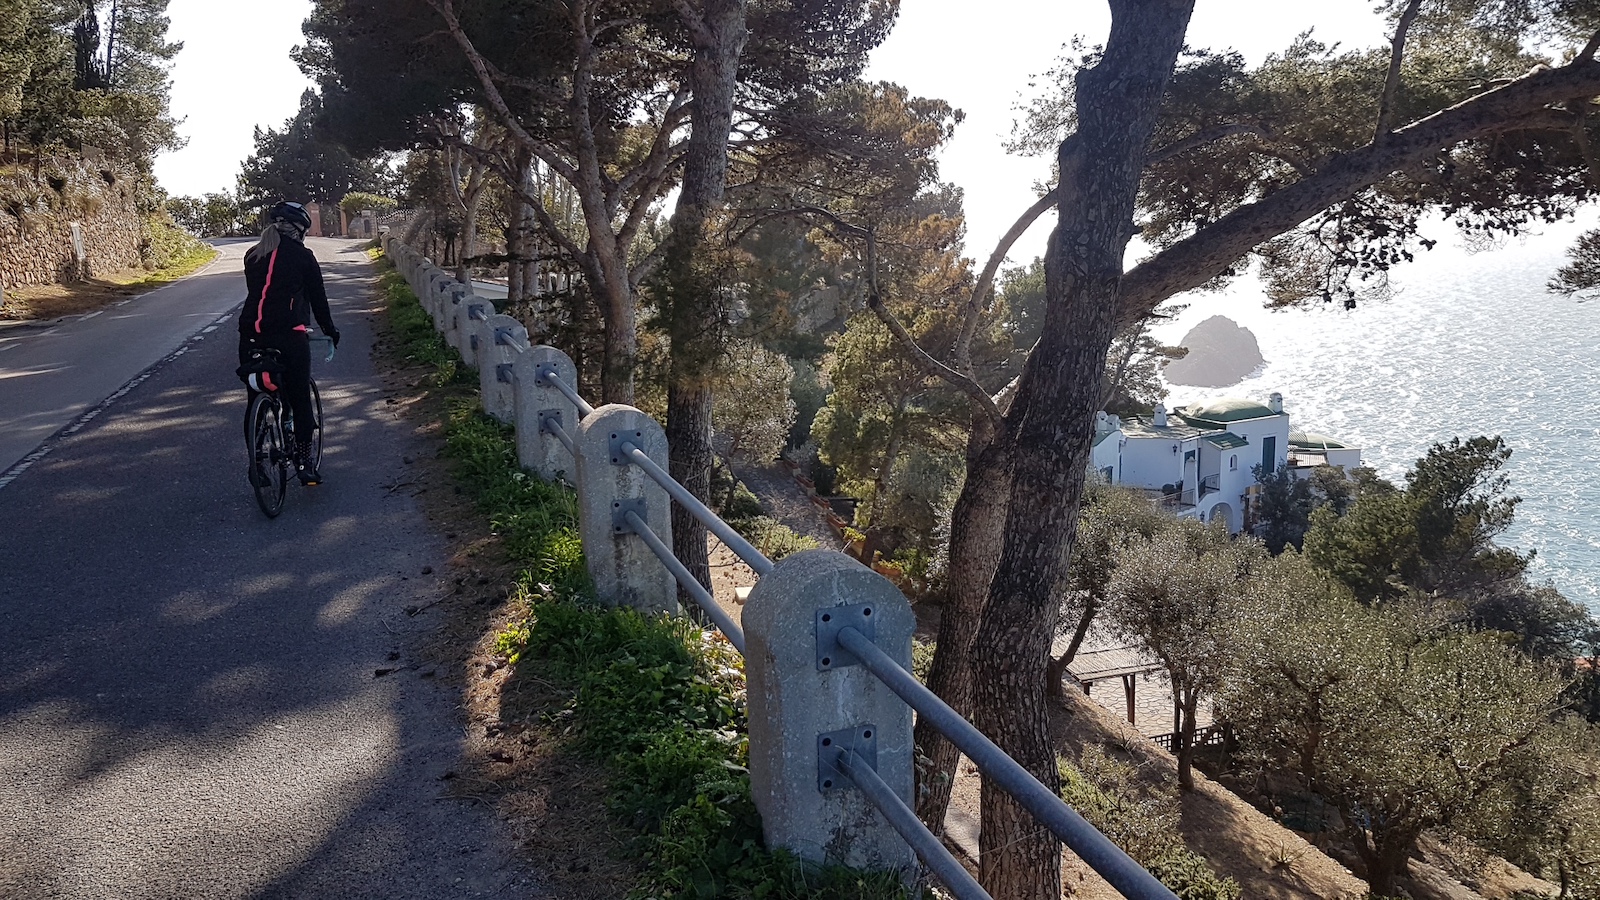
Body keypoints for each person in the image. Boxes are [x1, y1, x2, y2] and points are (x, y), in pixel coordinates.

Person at [237, 201, 340, 486]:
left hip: (251, 337)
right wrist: (330, 330)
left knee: (254, 397)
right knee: (299, 398)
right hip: (288, 336)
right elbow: (318, 300)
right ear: (300, 230)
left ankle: (255, 465)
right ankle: (306, 463)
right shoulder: (303, 256)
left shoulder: (251, 255)